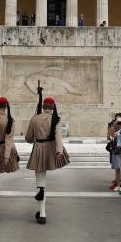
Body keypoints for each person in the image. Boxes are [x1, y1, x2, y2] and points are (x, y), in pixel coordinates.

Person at [25, 96, 69, 225]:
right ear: (53, 107)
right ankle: (42, 212)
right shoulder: (56, 119)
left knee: (40, 182)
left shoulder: (34, 118)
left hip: (38, 150)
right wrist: (59, 151)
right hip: (50, 150)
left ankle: (42, 212)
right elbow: (58, 136)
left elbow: (28, 138)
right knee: (42, 183)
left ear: (43, 107)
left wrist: (35, 138)